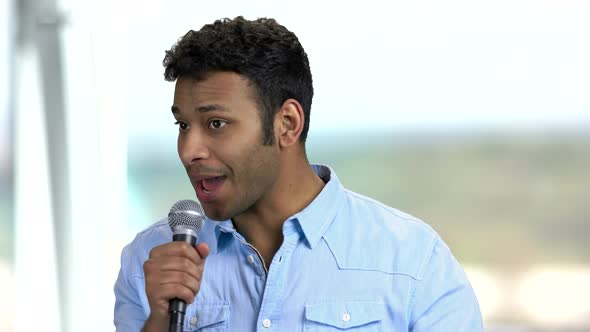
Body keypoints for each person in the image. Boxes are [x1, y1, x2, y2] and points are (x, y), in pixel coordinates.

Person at [114, 16, 483, 331]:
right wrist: (160, 323)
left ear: (287, 124)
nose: (189, 150)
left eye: (215, 123)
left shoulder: (414, 262)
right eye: (182, 125)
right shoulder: (148, 262)